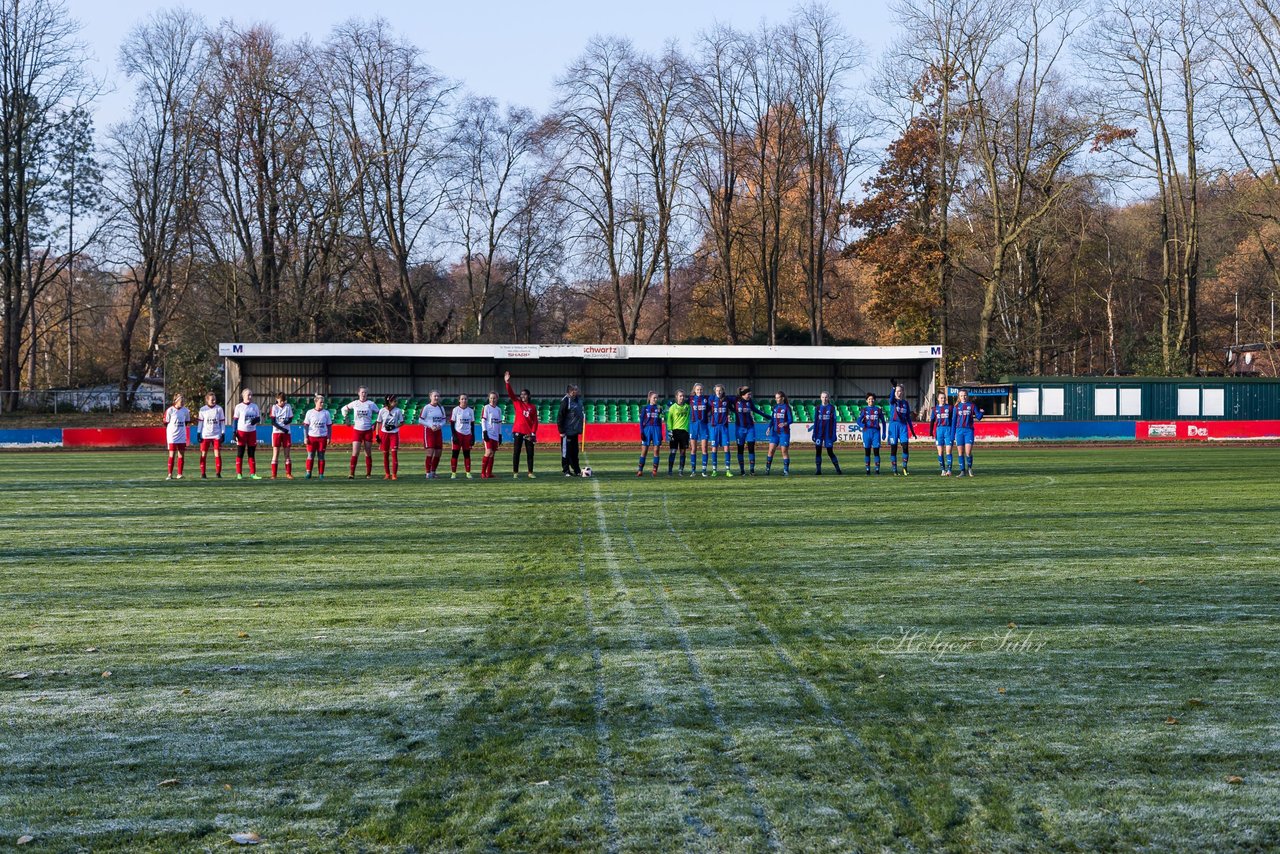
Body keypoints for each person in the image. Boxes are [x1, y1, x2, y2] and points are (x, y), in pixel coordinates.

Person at [504, 371, 539, 478]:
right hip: (518, 431)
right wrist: (507, 382)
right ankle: (515, 473)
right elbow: (511, 393)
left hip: (528, 433)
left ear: (528, 396)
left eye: (525, 394)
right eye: (521, 394)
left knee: (530, 453)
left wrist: (533, 433)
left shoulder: (532, 407)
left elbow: (535, 421)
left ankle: (530, 472)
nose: (522, 395)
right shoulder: (517, 403)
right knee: (516, 452)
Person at [341, 387, 379, 479]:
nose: (363, 394)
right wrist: (346, 418)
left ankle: (368, 473)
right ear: (358, 393)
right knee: (355, 452)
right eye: (362, 392)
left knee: (368, 452)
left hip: (368, 430)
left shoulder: (371, 404)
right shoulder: (355, 403)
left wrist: (376, 423)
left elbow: (380, 413)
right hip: (357, 430)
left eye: (365, 392)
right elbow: (343, 409)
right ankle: (352, 473)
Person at [732, 386, 770, 476]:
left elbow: (756, 410)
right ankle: (742, 471)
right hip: (740, 428)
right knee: (740, 449)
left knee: (751, 448)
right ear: (743, 394)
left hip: (750, 428)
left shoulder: (749, 402)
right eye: (748, 394)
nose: (750, 396)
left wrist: (767, 416)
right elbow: (725, 400)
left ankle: (752, 470)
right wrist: (733, 409)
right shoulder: (735, 400)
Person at [232, 388, 263, 480]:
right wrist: (234, 432)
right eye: (248, 395)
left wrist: (255, 421)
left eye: (251, 395)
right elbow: (235, 420)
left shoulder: (255, 406)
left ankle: (253, 474)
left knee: (251, 453)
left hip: (252, 432)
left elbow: (258, 418)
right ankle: (239, 474)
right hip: (242, 432)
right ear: (243, 396)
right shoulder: (239, 407)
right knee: (240, 453)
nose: (250, 397)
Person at [952, 388, 983, 477]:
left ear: (967, 396)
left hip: (969, 431)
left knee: (968, 452)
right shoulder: (956, 407)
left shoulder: (972, 405)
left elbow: (979, 417)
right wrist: (952, 435)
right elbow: (954, 421)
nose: (963, 397)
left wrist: (981, 413)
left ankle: (969, 468)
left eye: (965, 395)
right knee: (960, 452)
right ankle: (962, 471)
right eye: (961, 395)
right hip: (959, 431)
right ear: (959, 397)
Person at [887, 384, 917, 476]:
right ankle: (894, 470)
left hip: (903, 426)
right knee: (894, 449)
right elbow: (891, 398)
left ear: (903, 392)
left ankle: (904, 467)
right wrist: (893, 387)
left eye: (900, 391)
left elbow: (908, 418)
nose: (899, 393)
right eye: (897, 391)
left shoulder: (905, 403)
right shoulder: (893, 402)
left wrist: (912, 431)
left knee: (905, 446)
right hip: (894, 426)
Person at [811, 391, 842, 475]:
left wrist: (834, 434)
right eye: (823, 397)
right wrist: (814, 433)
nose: (824, 399)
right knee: (818, 451)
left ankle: (838, 469)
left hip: (828, 434)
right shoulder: (817, 408)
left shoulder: (832, 408)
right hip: (819, 433)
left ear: (828, 398)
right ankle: (818, 470)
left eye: (826, 397)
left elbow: (834, 422)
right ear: (820, 398)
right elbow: (816, 421)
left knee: (830, 451)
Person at [556, 384, 584, 477]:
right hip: (566, 432)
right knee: (566, 452)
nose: (577, 391)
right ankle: (566, 470)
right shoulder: (565, 401)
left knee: (575, 452)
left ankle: (577, 470)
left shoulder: (578, 400)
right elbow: (560, 416)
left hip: (574, 431)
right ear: (571, 391)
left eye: (577, 389)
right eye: (575, 390)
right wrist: (561, 431)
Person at [418, 390, 448, 479]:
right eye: (435, 396)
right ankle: (428, 473)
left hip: (438, 431)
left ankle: (433, 471)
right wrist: (430, 425)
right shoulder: (426, 408)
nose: (436, 398)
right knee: (430, 451)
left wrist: (440, 425)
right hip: (429, 431)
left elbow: (444, 420)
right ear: (430, 397)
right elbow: (420, 420)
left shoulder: (441, 408)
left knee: (438, 452)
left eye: (438, 396)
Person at [196, 392, 226, 479]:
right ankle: (203, 473)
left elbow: (222, 422)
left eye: (214, 399)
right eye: (212, 400)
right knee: (203, 454)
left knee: (217, 453)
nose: (214, 401)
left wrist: (223, 433)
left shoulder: (219, 409)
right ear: (207, 400)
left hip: (216, 435)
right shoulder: (203, 409)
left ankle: (218, 473)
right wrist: (198, 433)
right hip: (206, 435)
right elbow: (200, 423)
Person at [707, 384, 735, 477]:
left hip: (724, 427)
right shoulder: (711, 399)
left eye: (720, 390)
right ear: (715, 391)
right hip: (714, 427)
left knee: (726, 447)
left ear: (723, 391)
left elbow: (734, 405)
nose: (718, 392)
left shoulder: (727, 400)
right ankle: (714, 470)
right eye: (717, 390)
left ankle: (728, 470)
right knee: (714, 448)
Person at [303, 393, 333, 479]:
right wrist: (305, 437)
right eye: (321, 402)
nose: (322, 404)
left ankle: (321, 474)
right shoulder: (310, 412)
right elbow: (305, 426)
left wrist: (329, 437)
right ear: (316, 402)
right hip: (312, 437)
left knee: (321, 455)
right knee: (310, 455)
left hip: (322, 437)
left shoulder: (326, 413)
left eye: (323, 402)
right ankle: (308, 472)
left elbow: (329, 426)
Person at [764, 391, 794, 475]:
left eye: (778, 397)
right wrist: (769, 428)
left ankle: (786, 470)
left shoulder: (787, 407)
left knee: (784, 451)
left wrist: (784, 423)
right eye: (775, 397)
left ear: (782, 398)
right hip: (775, 433)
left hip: (784, 433)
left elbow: (791, 420)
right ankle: (767, 469)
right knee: (771, 450)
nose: (776, 399)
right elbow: (773, 420)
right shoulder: (775, 407)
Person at [376, 394, 404, 480]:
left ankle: (394, 474)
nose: (396, 402)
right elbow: (378, 423)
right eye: (394, 401)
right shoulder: (382, 411)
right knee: (385, 454)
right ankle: (387, 474)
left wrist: (395, 426)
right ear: (389, 402)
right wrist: (377, 435)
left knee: (394, 454)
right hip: (384, 434)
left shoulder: (398, 411)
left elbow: (402, 422)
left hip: (394, 434)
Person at [162, 393, 190, 480]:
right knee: (172, 454)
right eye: (181, 401)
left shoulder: (185, 411)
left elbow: (186, 422)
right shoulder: (170, 410)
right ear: (175, 401)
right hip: (172, 436)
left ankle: (179, 474)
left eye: (183, 401)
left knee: (181, 454)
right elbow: (165, 422)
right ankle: (170, 474)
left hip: (182, 435)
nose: (182, 402)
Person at [857, 393, 887, 475]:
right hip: (867, 432)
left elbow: (884, 422)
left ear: (874, 400)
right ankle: (868, 470)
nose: (871, 400)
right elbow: (858, 421)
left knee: (876, 451)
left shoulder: (878, 410)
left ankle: (877, 470)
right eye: (869, 399)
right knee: (867, 452)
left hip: (876, 432)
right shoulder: (864, 410)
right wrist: (863, 425)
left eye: (872, 399)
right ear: (867, 400)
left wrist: (884, 433)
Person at [637, 391, 665, 477]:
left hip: (656, 429)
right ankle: (640, 470)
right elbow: (641, 421)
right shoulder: (645, 408)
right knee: (644, 451)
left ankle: (654, 470)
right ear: (650, 398)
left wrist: (661, 433)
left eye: (657, 398)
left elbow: (660, 421)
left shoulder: (659, 408)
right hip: (647, 430)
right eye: (654, 398)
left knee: (656, 450)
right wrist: (642, 432)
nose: (656, 400)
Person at [449, 393, 476, 479]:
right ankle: (453, 473)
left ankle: (468, 473)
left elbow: (472, 424)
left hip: (467, 435)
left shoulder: (470, 411)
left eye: (465, 399)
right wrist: (454, 435)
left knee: (467, 454)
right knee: (455, 454)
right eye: (462, 399)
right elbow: (452, 423)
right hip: (458, 434)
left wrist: (473, 436)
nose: (464, 400)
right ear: (459, 400)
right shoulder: (456, 410)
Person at [688, 382, 712, 475]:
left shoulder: (706, 399)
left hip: (703, 426)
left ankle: (703, 471)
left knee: (704, 449)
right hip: (694, 426)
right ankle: (693, 471)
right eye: (697, 389)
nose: (699, 391)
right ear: (694, 390)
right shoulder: (690, 399)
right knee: (693, 449)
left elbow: (711, 408)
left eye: (701, 389)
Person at [268, 392, 294, 479]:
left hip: (287, 433)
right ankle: (274, 474)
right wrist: (282, 429)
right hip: (277, 432)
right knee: (275, 453)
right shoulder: (274, 407)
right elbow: (273, 422)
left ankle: (288, 473)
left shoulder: (288, 406)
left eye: (283, 401)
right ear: (277, 400)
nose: (282, 403)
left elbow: (290, 418)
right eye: (280, 401)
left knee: (287, 454)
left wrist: (287, 422)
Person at [666, 389, 691, 475]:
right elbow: (669, 420)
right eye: (680, 396)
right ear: (676, 397)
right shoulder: (672, 407)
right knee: (673, 451)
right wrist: (670, 431)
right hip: (674, 432)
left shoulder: (687, 407)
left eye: (683, 396)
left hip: (684, 432)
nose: (682, 397)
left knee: (683, 452)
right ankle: (670, 470)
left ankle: (681, 471)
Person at [929, 392, 955, 476]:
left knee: (948, 451)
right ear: (938, 399)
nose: (943, 399)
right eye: (941, 398)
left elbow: (954, 419)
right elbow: (932, 421)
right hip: (939, 431)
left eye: (944, 398)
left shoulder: (950, 407)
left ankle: (949, 470)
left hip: (948, 430)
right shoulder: (934, 409)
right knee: (940, 452)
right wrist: (930, 432)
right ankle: (942, 470)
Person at [480, 391, 504, 479]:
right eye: (491, 398)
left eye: (494, 398)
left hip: (495, 434)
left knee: (492, 454)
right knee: (488, 452)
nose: (492, 400)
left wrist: (500, 435)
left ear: (497, 399)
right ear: (488, 399)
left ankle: (489, 473)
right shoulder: (486, 408)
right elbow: (483, 420)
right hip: (488, 434)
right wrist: (485, 432)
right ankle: (483, 472)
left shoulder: (498, 409)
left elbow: (499, 423)